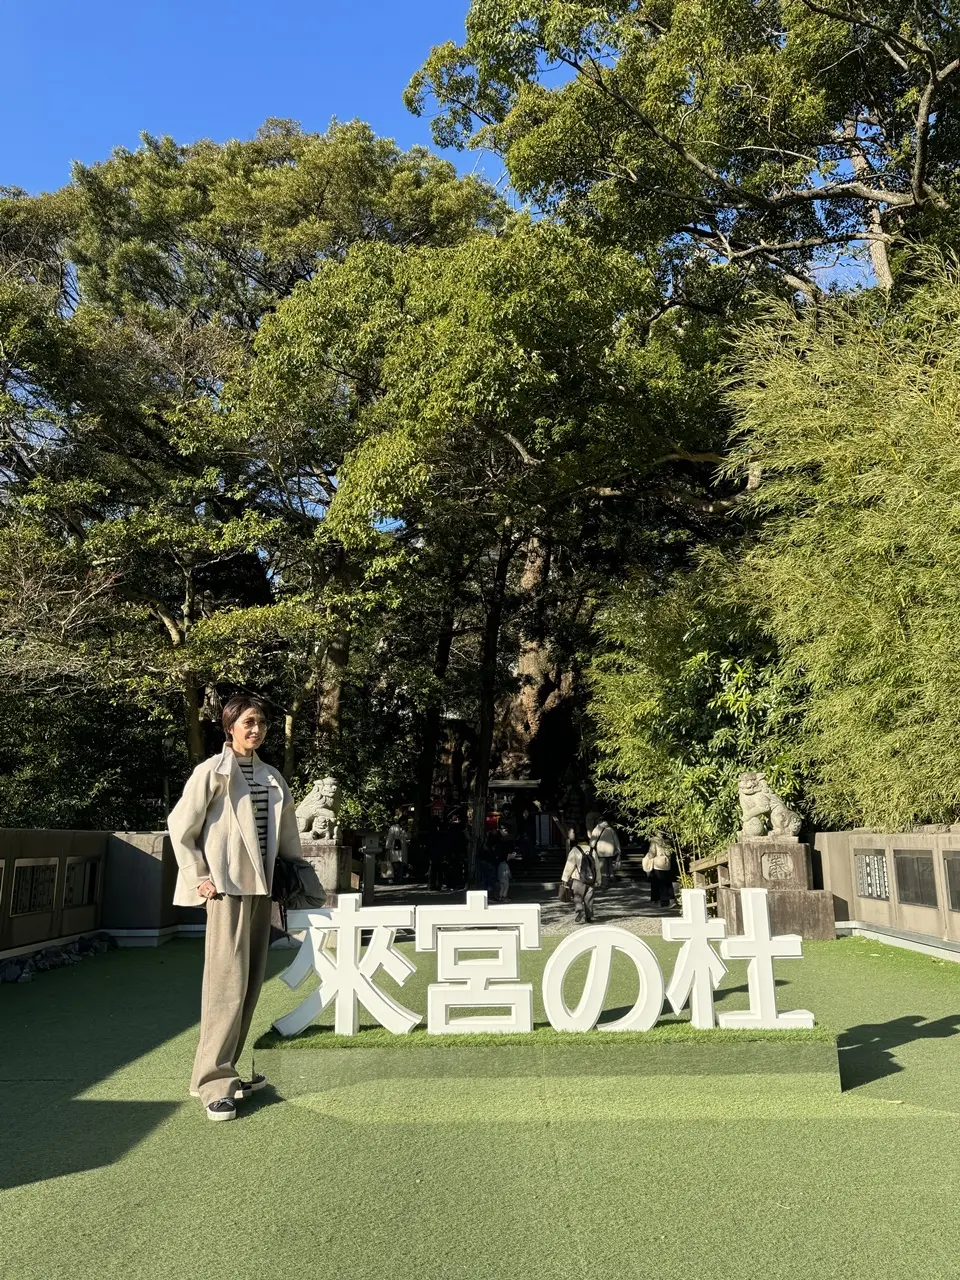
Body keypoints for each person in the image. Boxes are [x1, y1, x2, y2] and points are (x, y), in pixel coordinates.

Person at [167, 693, 305, 1122]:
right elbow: (180, 827)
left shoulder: (271, 776)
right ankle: (213, 1084)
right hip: (226, 892)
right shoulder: (212, 772)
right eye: (247, 722)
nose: (255, 729)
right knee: (225, 986)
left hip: (261, 892)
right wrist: (199, 876)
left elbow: (286, 838)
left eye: (261, 722)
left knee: (247, 986)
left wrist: (300, 878)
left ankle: (224, 1073)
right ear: (229, 727)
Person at [560, 835, 598, 924]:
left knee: (577, 896)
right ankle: (589, 917)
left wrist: (565, 878)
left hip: (578, 879)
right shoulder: (592, 850)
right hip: (590, 879)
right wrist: (598, 880)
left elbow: (569, 866)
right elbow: (596, 867)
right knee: (589, 898)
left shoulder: (574, 850)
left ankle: (580, 909)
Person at [586, 811, 621, 890]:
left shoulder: (597, 829)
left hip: (602, 852)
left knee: (603, 869)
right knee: (609, 866)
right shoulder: (610, 829)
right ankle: (611, 879)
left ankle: (605, 884)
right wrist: (618, 850)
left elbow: (593, 840)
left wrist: (591, 848)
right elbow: (616, 840)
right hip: (611, 851)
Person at [643, 834, 674, 909]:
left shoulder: (655, 840)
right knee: (668, 883)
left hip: (658, 863)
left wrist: (648, 857)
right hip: (666, 862)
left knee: (659, 883)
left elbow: (652, 852)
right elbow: (669, 852)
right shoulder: (668, 840)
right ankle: (671, 900)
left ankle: (662, 901)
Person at [384, 817, 409, 884]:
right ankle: (394, 877)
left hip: (402, 847)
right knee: (394, 862)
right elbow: (390, 837)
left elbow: (408, 837)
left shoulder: (405, 828)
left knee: (401, 863)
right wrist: (387, 847)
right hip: (395, 846)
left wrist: (406, 830)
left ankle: (400, 878)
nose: (403, 823)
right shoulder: (393, 827)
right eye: (402, 821)